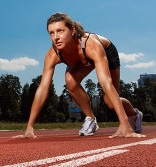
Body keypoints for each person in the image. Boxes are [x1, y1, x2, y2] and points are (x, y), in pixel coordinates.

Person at [14, 13, 146, 139]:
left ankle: (135, 114)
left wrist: (124, 123)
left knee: (110, 102)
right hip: (80, 60)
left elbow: (106, 82)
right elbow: (42, 89)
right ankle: (91, 119)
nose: (56, 37)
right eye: (51, 33)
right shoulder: (52, 55)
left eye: (60, 31)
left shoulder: (91, 44)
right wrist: (29, 127)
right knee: (70, 81)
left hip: (105, 52)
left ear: (72, 30)